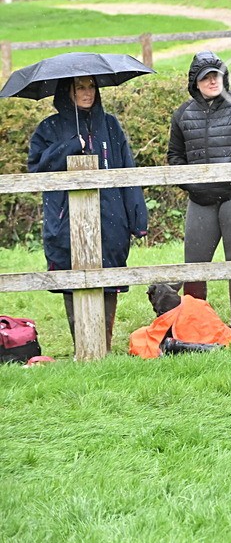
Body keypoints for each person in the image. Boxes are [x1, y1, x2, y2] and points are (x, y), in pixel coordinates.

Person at [28, 76, 148, 351]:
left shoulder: (110, 125)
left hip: (111, 216)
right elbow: (37, 169)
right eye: (80, 87)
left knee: (109, 277)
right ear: (67, 91)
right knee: (72, 277)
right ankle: (82, 347)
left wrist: (136, 216)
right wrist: (71, 145)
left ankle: (103, 346)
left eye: (91, 86)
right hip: (65, 218)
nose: (87, 93)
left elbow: (126, 169)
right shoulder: (49, 128)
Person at [168, 51, 231, 335]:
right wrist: (193, 185)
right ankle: (194, 322)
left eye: (216, 75)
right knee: (194, 261)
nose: (212, 81)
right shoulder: (182, 115)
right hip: (201, 199)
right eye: (206, 77)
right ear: (195, 82)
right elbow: (175, 156)